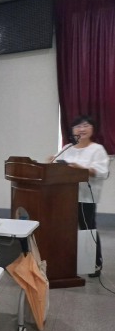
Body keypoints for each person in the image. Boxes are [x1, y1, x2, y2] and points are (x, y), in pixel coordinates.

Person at [48, 115, 109, 277]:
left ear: (92, 129)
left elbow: (102, 172)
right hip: (64, 196)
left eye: (86, 125)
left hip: (86, 197)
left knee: (87, 229)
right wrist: (51, 163)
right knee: (65, 229)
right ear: (72, 130)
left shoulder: (97, 149)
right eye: (77, 126)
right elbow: (55, 165)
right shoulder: (68, 147)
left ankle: (94, 264)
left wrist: (80, 168)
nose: (81, 129)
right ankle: (67, 260)